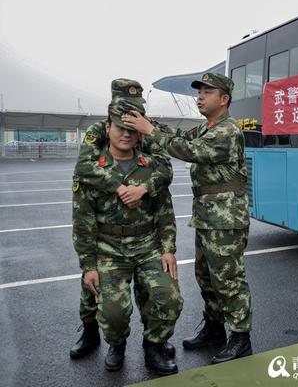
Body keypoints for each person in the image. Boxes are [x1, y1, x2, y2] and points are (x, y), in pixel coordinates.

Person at [122, 72, 252, 364]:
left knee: (229, 279)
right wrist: (146, 122)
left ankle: (241, 337)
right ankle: (215, 329)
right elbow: (178, 138)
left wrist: (149, 130)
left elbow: (188, 151)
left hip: (226, 221)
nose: (200, 96)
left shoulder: (228, 131)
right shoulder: (208, 128)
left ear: (224, 99)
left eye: (208, 91)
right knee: (206, 277)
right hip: (208, 218)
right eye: (200, 91)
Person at [72, 84, 183, 375]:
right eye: (119, 127)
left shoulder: (151, 165)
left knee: (169, 299)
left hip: (147, 246)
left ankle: (154, 345)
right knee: (113, 313)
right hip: (109, 249)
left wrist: (168, 250)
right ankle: (116, 343)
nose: (125, 133)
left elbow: (165, 213)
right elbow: (82, 223)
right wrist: (88, 266)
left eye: (132, 128)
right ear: (108, 127)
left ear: (141, 131)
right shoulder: (93, 167)